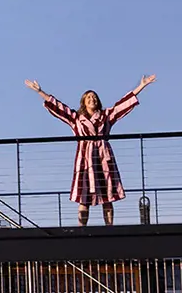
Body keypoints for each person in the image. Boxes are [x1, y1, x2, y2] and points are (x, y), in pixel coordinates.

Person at [26, 75, 155, 226]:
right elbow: (60, 108)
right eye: (88, 98)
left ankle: (109, 228)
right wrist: (40, 92)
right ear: (84, 102)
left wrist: (142, 86)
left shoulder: (106, 116)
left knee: (107, 196)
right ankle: (82, 229)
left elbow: (122, 105)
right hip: (85, 160)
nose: (92, 99)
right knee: (84, 196)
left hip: (103, 159)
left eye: (94, 97)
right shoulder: (76, 118)